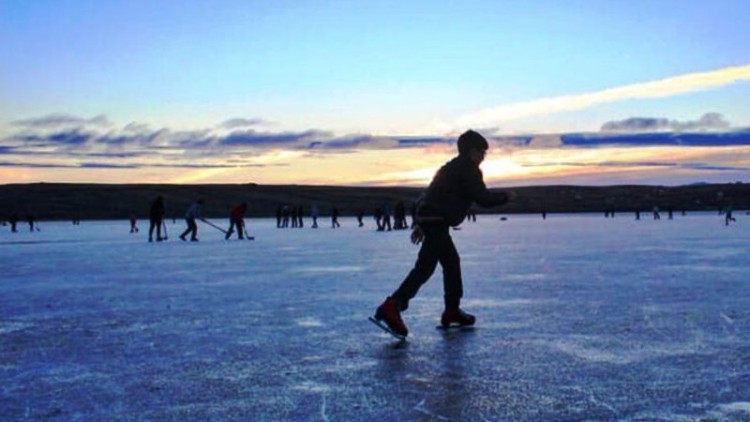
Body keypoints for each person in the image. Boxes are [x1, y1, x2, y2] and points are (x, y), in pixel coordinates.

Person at [373, 130, 510, 338]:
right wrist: (507, 196)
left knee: (451, 263)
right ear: (472, 151)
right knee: (425, 268)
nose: (483, 156)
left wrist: (420, 222)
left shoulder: (449, 167)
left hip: (433, 220)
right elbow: (483, 198)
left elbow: (429, 194)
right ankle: (393, 305)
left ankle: (452, 310)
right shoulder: (469, 169)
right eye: (482, 152)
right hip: (437, 221)